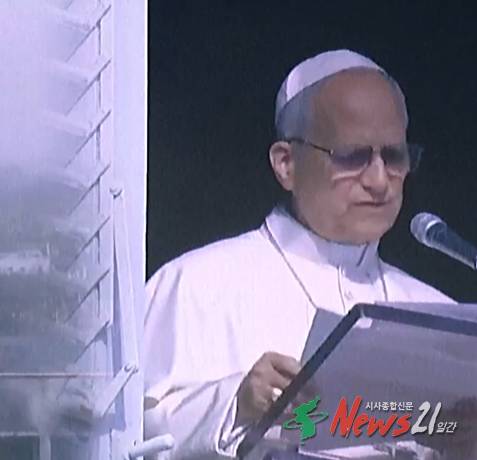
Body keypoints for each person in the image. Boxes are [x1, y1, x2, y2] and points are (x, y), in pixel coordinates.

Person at [143, 50, 455, 459]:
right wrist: (234, 405)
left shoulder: (437, 314)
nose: (380, 181)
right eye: (353, 156)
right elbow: (123, 433)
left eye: (394, 157)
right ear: (286, 163)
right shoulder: (194, 286)